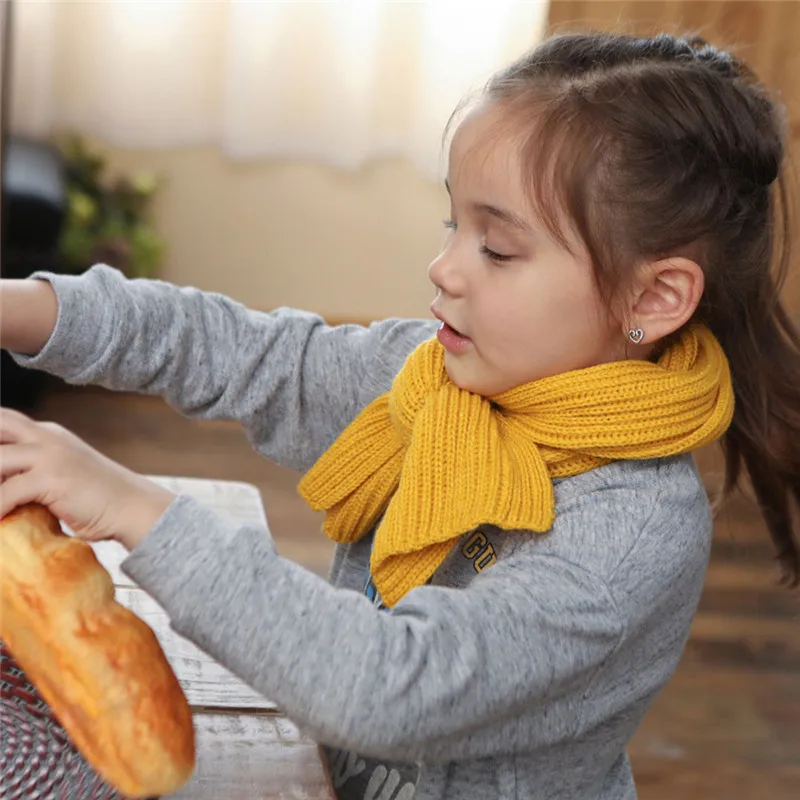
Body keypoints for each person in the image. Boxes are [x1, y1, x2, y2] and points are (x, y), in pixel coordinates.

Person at [1, 31, 798, 800]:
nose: (444, 267)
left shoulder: (627, 537)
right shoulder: (435, 379)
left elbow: (384, 687)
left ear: (653, 298)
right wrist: (24, 310)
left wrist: (133, 506)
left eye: (499, 249)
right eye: (457, 224)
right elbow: (247, 354)